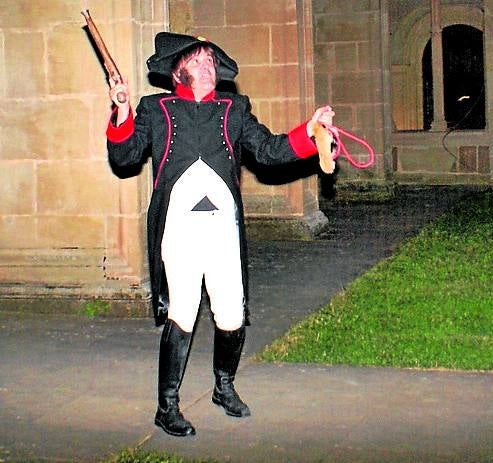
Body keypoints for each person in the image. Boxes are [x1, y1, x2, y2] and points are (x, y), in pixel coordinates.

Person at [106, 32, 334, 437]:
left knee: (231, 314)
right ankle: (167, 406)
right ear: (179, 69)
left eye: (211, 61)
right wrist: (121, 111)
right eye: (197, 61)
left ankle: (224, 387)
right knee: (183, 309)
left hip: (222, 228)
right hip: (178, 228)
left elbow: (269, 150)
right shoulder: (155, 109)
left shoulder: (234, 109)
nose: (208, 66)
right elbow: (124, 156)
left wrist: (310, 131)